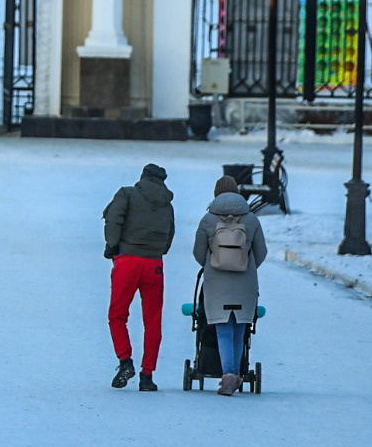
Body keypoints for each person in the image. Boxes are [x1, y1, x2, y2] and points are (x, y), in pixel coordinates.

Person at [100, 161, 176, 390]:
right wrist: (156, 250)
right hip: (154, 265)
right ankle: (147, 375)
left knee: (117, 315)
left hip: (128, 262)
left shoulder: (127, 194)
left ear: (142, 177)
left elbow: (114, 219)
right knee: (152, 320)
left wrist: (111, 245)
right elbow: (170, 234)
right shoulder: (167, 204)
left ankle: (125, 361)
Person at [193, 173, 268, 396]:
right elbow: (261, 252)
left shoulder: (208, 220)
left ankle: (228, 374)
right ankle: (235, 373)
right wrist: (248, 266)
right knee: (240, 326)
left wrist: (210, 264)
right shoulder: (251, 219)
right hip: (245, 282)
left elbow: (198, 252)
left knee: (223, 327)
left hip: (217, 282)